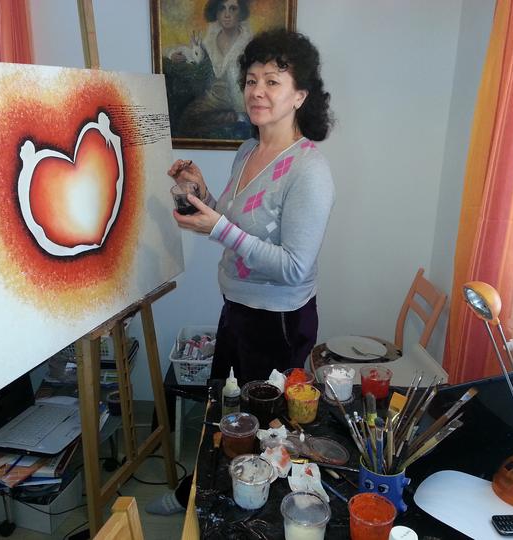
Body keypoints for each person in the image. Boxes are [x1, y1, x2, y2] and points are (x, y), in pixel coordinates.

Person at [146, 28, 334, 515]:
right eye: (251, 80)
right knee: (226, 416)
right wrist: (202, 195)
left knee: (267, 434)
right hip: (238, 310)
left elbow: (294, 267)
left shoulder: (309, 171)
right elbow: (237, 226)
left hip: (279, 323)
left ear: (300, 95)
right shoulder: (247, 151)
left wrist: (216, 227)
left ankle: (247, 513)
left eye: (273, 81)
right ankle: (203, 496)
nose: (257, 91)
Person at [176, 0, 253, 138]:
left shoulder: (249, 43)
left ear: (241, 12)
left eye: (233, 9)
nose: (227, 14)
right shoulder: (209, 40)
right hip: (215, 98)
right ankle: (232, 117)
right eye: (222, 9)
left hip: (240, 100)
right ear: (216, 13)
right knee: (187, 119)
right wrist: (174, 54)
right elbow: (195, 54)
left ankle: (237, 117)